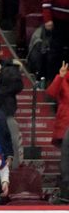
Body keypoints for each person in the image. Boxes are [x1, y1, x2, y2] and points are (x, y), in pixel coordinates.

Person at [0, 41, 24, 167]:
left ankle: (14, 172)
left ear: (0, 52)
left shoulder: (9, 68)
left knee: (12, 143)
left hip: (4, 113)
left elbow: (17, 86)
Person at [46, 60, 69, 202]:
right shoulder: (64, 78)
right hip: (65, 126)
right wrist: (60, 76)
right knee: (66, 163)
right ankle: (65, 191)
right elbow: (51, 93)